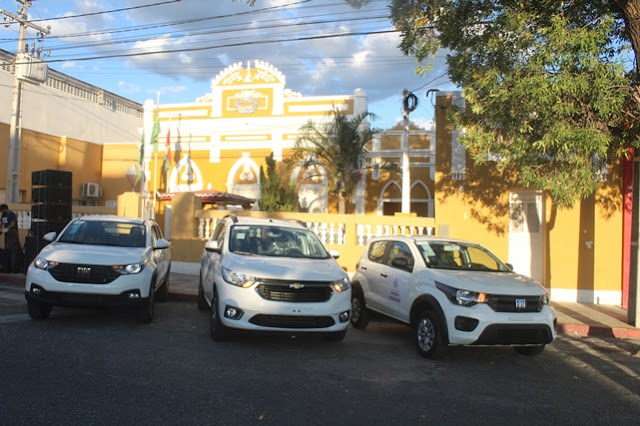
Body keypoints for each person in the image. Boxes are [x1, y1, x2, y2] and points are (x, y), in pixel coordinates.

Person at [0, 204, 22, 273]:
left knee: (13, 251)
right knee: (7, 250)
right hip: (7, 234)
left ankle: (14, 268)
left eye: (2, 210)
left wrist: (7, 228)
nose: (1, 212)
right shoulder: (3, 215)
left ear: (5, 209)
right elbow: (1, 223)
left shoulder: (12, 214)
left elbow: (12, 224)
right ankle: (7, 267)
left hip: (13, 233)